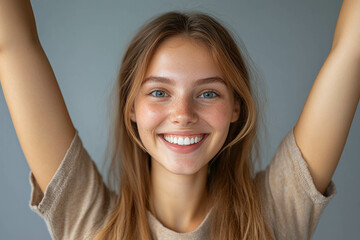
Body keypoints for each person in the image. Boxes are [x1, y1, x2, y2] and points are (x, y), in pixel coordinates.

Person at [0, 0, 358, 239]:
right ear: (131, 110)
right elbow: (13, 45)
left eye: (208, 93)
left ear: (236, 108)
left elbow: (352, 51)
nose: (183, 115)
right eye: (159, 92)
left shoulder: (273, 215)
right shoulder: (92, 223)